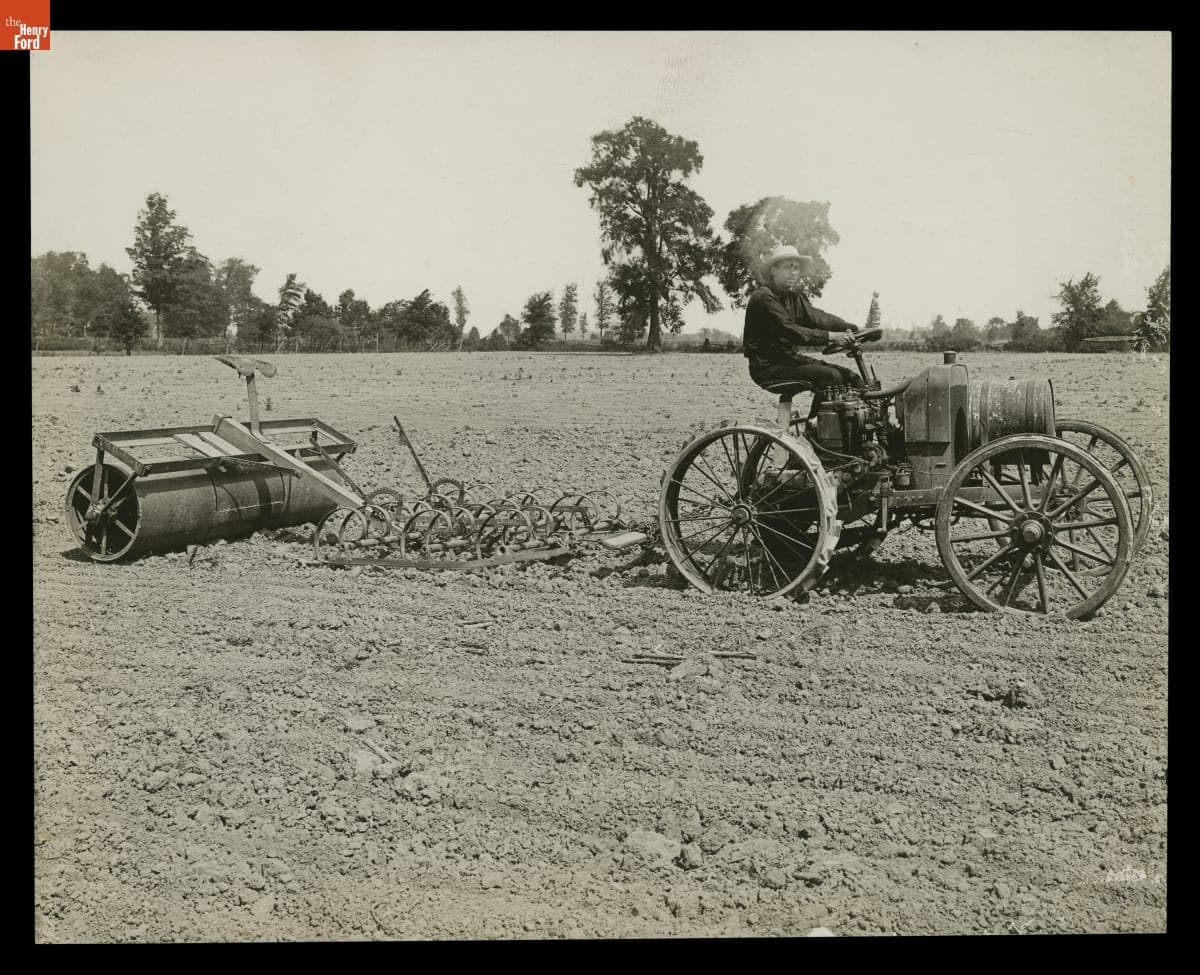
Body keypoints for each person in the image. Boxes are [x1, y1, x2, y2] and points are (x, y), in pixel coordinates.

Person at [743, 245, 864, 409]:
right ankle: (817, 429)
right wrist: (833, 336)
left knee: (852, 378)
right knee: (831, 377)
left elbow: (818, 317)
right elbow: (792, 332)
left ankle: (849, 427)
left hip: (788, 361)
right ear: (774, 270)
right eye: (788, 267)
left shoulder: (793, 298)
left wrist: (852, 328)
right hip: (767, 367)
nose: (793, 272)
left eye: (797, 268)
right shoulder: (764, 297)